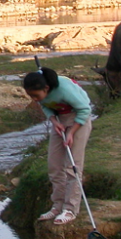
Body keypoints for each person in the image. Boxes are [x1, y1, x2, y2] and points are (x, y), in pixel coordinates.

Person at [23, 66, 93, 225]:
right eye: (30, 96)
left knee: (72, 166)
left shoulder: (65, 89)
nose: (34, 99)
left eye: (35, 95)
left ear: (46, 88)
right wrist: (55, 122)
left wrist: (71, 132)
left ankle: (70, 209)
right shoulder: (41, 95)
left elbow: (85, 109)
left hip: (78, 120)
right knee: (54, 165)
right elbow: (46, 106)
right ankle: (58, 205)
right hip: (60, 120)